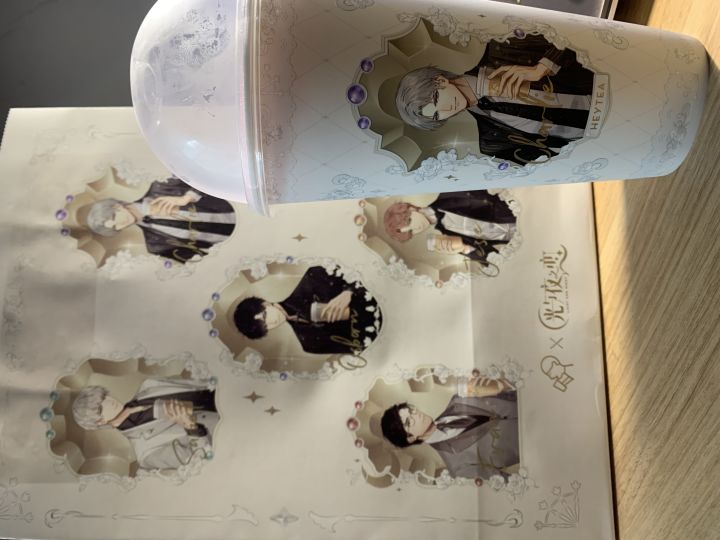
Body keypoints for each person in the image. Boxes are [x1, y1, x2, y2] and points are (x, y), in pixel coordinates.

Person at [395, 32, 595, 165]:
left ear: (440, 80)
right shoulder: (491, 143)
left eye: (437, 99)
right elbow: (555, 162)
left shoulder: (500, 46)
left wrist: (543, 67)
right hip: (603, 136)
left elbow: (568, 35)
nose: (446, 109)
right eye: (437, 115)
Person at [72, 377, 218, 471]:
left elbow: (203, 383)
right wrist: (191, 428)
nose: (109, 401)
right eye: (100, 408)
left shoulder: (149, 385)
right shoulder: (145, 452)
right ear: (100, 422)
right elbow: (199, 460)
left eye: (104, 396)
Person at [233, 266, 382, 355]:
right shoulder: (309, 344)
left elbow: (360, 269)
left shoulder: (312, 277)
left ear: (266, 303)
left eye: (265, 316)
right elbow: (360, 348)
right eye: (266, 327)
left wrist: (348, 291)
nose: (272, 322)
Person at [380, 384, 519, 480]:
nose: (416, 414)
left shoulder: (458, 398)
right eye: (409, 421)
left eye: (411, 410)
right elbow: (504, 482)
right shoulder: (459, 468)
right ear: (410, 439)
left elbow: (511, 394)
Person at [85, 176, 236, 263]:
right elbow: (202, 260)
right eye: (114, 227)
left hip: (236, 205)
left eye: (114, 218)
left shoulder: (160, 186)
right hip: (235, 241)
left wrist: (187, 197)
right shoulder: (156, 246)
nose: (120, 224)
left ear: (117, 206)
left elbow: (201, 176)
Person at [383, 190, 516, 266]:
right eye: (412, 232)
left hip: (516, 209)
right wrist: (464, 248)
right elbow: (491, 259)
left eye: (409, 221)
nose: (417, 228)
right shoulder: (448, 238)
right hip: (516, 237)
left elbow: (488, 193)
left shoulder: (446, 194)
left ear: (410, 208)